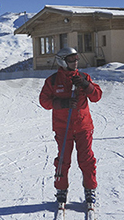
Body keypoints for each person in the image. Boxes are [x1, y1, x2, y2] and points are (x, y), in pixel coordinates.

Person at [39, 47, 103, 206]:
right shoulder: (53, 81)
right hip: (63, 127)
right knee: (63, 160)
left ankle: (90, 190)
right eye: (71, 60)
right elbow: (44, 101)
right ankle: (61, 190)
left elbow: (96, 96)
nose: (75, 63)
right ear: (62, 61)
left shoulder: (83, 77)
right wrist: (61, 103)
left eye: (76, 59)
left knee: (86, 160)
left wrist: (85, 85)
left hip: (83, 126)